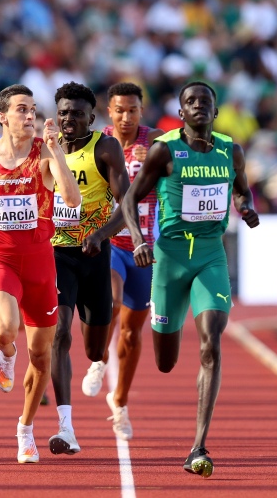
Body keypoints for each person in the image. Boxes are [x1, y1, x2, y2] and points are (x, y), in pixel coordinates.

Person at [121, 81, 259, 477]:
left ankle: (198, 444)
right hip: (170, 257)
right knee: (166, 360)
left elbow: (242, 192)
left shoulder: (230, 150)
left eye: (206, 101)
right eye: (190, 102)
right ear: (181, 113)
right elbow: (131, 199)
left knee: (211, 343)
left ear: (215, 112)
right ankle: (167, 329)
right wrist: (138, 240)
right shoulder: (164, 150)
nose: (199, 106)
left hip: (212, 256)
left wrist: (245, 208)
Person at [0, 84, 81, 463]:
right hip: (1, 260)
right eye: (21, 110)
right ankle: (7, 354)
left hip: (42, 265)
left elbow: (73, 199)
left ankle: (25, 428)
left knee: (43, 356)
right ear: (2, 116)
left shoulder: (45, 156)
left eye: (32, 110)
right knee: (4, 330)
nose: (29, 116)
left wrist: (57, 151)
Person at [47, 82, 130, 456]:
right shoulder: (44, 151)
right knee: (59, 333)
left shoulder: (105, 148)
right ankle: (66, 427)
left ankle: (97, 361)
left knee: (95, 348)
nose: (68, 120)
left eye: (77, 114)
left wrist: (100, 234)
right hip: (56, 254)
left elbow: (125, 206)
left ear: (91, 118)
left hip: (95, 255)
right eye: (63, 112)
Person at [80, 82, 164, 442]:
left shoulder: (159, 141)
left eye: (132, 110)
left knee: (131, 333)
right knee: (110, 302)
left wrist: (158, 163)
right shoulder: (101, 144)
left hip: (143, 250)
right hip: (110, 242)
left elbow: (180, 175)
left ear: (141, 111)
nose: (126, 117)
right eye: (119, 110)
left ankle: (121, 403)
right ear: (109, 112)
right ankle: (98, 360)